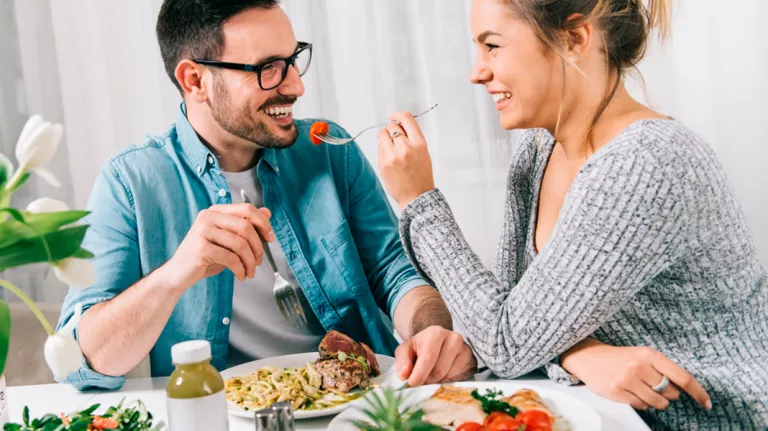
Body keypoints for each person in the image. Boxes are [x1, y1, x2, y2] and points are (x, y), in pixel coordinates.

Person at [375, 0, 768, 429]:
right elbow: (511, 318)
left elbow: (505, 343)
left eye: (492, 46)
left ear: (574, 39)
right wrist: (580, 355)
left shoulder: (645, 164)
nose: (477, 71)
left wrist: (420, 199)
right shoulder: (538, 151)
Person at [55, 0, 476, 391]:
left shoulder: (329, 151)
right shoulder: (131, 182)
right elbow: (86, 360)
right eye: (269, 68)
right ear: (195, 79)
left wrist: (428, 333)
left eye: (293, 60)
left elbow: (395, 274)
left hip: (358, 403)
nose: (295, 86)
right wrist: (176, 272)